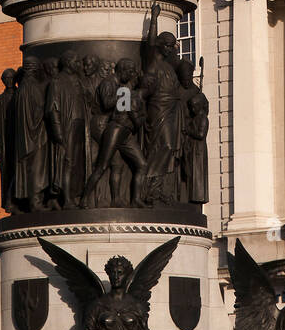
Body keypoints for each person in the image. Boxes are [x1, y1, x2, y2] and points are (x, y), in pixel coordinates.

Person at [80, 59, 147, 208]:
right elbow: (107, 103)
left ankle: (119, 199)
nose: (130, 76)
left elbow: (128, 111)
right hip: (103, 125)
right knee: (103, 165)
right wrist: (124, 96)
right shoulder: (109, 83)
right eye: (129, 72)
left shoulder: (122, 87)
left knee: (121, 164)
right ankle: (84, 198)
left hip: (121, 129)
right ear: (122, 70)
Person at [138, 11, 186, 205]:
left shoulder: (168, 66)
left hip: (171, 111)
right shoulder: (153, 61)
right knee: (162, 146)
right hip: (158, 110)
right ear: (160, 45)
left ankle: (158, 190)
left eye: (172, 45)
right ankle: (149, 189)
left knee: (169, 149)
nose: (170, 49)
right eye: (167, 45)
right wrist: (155, 19)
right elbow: (150, 41)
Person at [44, 52, 89, 208]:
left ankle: (77, 194)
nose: (79, 65)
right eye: (77, 61)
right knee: (67, 162)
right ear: (68, 62)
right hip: (67, 126)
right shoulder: (57, 81)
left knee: (78, 162)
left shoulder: (78, 80)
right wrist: (58, 132)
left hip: (80, 124)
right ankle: (67, 198)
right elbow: (52, 109)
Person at [13, 57, 49, 212]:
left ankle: (30, 201)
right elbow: (40, 109)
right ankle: (36, 202)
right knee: (37, 168)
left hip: (25, 136)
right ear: (34, 68)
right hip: (35, 135)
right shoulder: (33, 87)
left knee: (31, 168)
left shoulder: (21, 88)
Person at [176, 59, 209, 205]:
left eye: (188, 77)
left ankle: (188, 196)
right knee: (182, 166)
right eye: (183, 77)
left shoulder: (195, 91)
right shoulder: (176, 90)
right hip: (179, 130)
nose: (186, 80)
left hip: (189, 133)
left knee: (190, 169)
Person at [0, 68, 18, 212]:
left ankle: (18, 201)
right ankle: (9, 202)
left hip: (18, 139)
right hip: (5, 140)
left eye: (11, 78)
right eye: (6, 78)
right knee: (7, 172)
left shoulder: (20, 95)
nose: (9, 81)